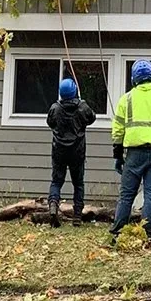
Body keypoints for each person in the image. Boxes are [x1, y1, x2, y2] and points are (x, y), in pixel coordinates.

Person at [109, 59, 151, 245]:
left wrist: (117, 155)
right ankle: (148, 236)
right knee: (150, 196)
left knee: (126, 195)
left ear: (134, 78)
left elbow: (118, 129)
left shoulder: (127, 99)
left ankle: (117, 234)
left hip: (134, 153)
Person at [46, 77, 96, 227]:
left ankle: (53, 204)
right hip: (77, 152)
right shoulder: (83, 107)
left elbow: (50, 123)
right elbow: (92, 118)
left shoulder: (55, 108)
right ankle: (77, 216)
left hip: (59, 151)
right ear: (75, 91)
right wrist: (82, 103)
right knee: (78, 184)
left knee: (56, 181)